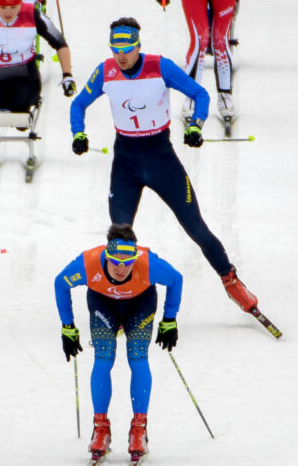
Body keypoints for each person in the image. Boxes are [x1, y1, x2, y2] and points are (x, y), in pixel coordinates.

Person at [69, 17, 260, 313]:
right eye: (115, 49)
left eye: (127, 49)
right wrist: (78, 133)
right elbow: (78, 104)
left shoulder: (160, 66)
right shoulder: (105, 71)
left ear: (137, 46)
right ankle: (118, 300)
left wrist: (195, 125)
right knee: (120, 237)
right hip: (126, 162)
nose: (121, 56)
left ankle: (231, 281)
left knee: (196, 228)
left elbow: (200, 94)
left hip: (161, 157)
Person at [55, 224, 183, 461]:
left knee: (137, 358)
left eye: (128, 261)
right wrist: (67, 326)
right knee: (103, 359)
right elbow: (60, 283)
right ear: (106, 255)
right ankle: (101, 427)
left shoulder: (148, 264)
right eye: (115, 261)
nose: (122, 268)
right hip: (104, 304)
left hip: (140, 304)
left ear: (136, 256)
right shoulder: (88, 262)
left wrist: (170, 320)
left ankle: (139, 428)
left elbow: (176, 280)